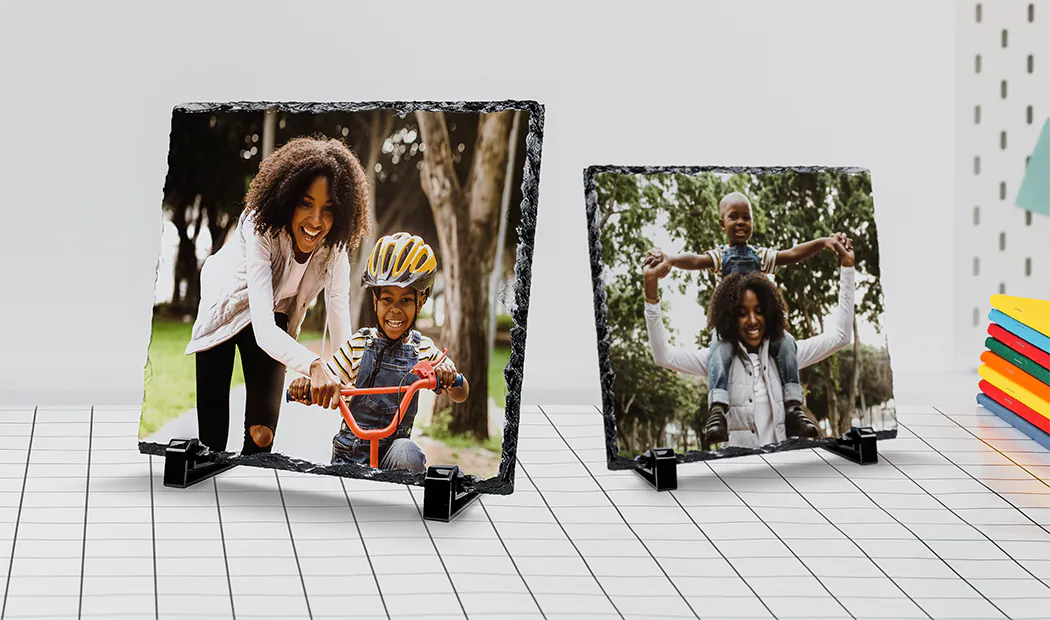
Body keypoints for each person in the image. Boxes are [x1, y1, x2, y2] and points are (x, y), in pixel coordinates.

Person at [185, 137, 371, 455]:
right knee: (211, 440)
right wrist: (313, 366)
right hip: (226, 309)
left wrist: (348, 377)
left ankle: (249, 494)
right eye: (306, 203)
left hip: (274, 314)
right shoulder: (262, 228)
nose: (316, 221)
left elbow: (339, 313)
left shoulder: (334, 250)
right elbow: (263, 328)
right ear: (288, 199)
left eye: (328, 209)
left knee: (261, 436)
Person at [645, 191, 848, 444]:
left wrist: (822, 243)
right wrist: (670, 260)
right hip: (728, 330)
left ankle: (794, 407)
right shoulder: (720, 256)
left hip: (772, 336)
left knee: (786, 343)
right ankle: (718, 408)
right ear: (722, 224)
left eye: (746, 217)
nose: (741, 222)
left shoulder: (761, 255)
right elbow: (696, 260)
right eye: (734, 217)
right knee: (718, 348)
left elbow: (793, 254)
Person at [289, 232, 470, 472]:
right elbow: (329, 378)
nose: (395, 310)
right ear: (375, 301)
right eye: (387, 300)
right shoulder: (359, 344)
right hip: (351, 452)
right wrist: (308, 386)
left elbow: (461, 392)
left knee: (408, 452)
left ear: (421, 301)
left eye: (405, 301)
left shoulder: (423, 349)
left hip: (394, 454)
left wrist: (449, 377)